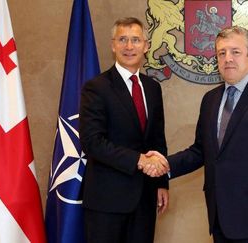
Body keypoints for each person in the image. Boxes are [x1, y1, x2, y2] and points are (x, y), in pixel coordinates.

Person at [144, 26, 248, 243]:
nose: (228, 59)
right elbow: (200, 151)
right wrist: (165, 165)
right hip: (219, 219)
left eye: (235, 52)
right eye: (221, 53)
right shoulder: (211, 99)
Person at [79, 17, 169, 243]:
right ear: (113, 45)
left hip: (145, 198)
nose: (129, 47)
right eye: (123, 40)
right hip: (106, 200)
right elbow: (92, 142)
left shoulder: (152, 88)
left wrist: (161, 183)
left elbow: (157, 138)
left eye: (136, 40)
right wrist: (139, 160)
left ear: (146, 46)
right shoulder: (96, 88)